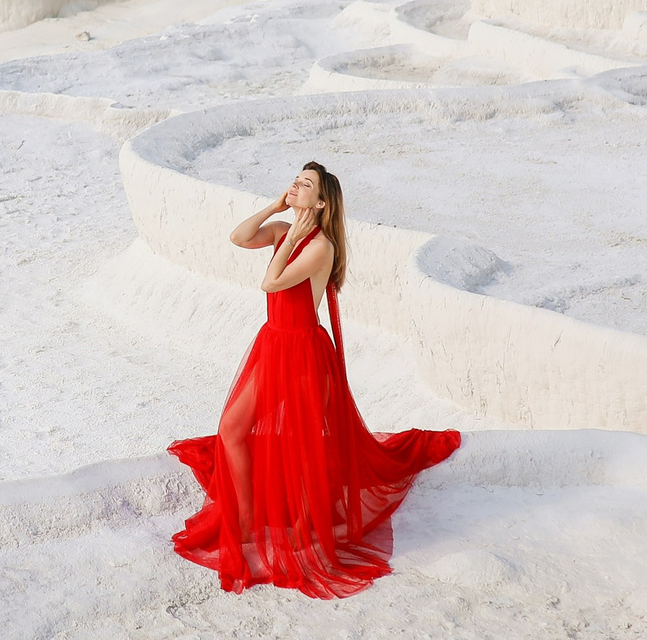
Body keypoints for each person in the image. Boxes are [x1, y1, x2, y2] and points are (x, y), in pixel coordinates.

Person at [167, 160, 460, 598]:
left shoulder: (320, 246)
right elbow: (239, 237)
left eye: (305, 184)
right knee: (232, 429)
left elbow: (272, 282)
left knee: (305, 447)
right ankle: (246, 517)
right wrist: (274, 208)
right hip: (273, 345)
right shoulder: (285, 227)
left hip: (303, 354)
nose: (295, 185)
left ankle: (306, 533)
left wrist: (290, 235)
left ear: (321, 203)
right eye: (296, 180)